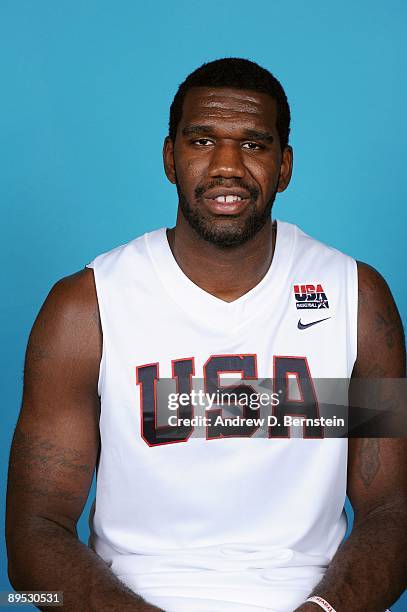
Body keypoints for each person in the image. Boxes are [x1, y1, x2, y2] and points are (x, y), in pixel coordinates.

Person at [6, 58, 406, 612]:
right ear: (170, 158)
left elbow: (392, 508)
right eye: (201, 141)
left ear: (285, 166)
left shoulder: (352, 298)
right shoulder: (88, 307)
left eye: (254, 145)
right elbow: (32, 541)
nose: (227, 167)